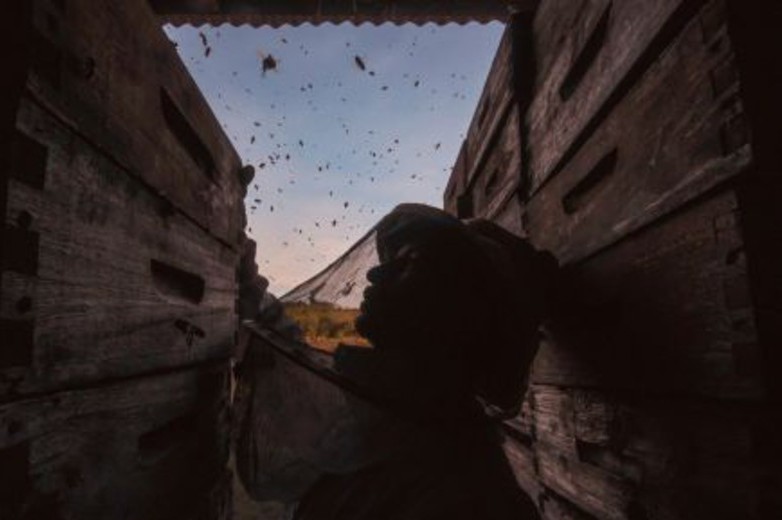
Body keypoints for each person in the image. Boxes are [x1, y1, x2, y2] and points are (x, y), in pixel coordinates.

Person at [235, 204, 556, 520]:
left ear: (460, 310)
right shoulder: (398, 409)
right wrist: (249, 288)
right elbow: (301, 377)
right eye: (388, 260)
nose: (375, 273)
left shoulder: (472, 500)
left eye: (409, 262)